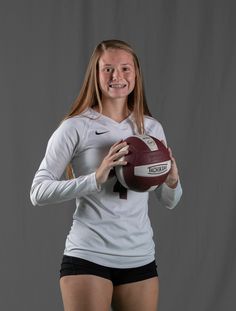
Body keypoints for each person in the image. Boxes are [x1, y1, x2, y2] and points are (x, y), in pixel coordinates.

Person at [30, 39, 182, 311]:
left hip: (139, 257)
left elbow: (170, 201)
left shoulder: (152, 129)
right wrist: (95, 179)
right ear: (95, 74)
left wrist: (172, 182)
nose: (117, 77)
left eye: (125, 68)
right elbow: (37, 192)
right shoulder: (75, 127)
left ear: (136, 74)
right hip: (88, 255)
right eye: (108, 69)